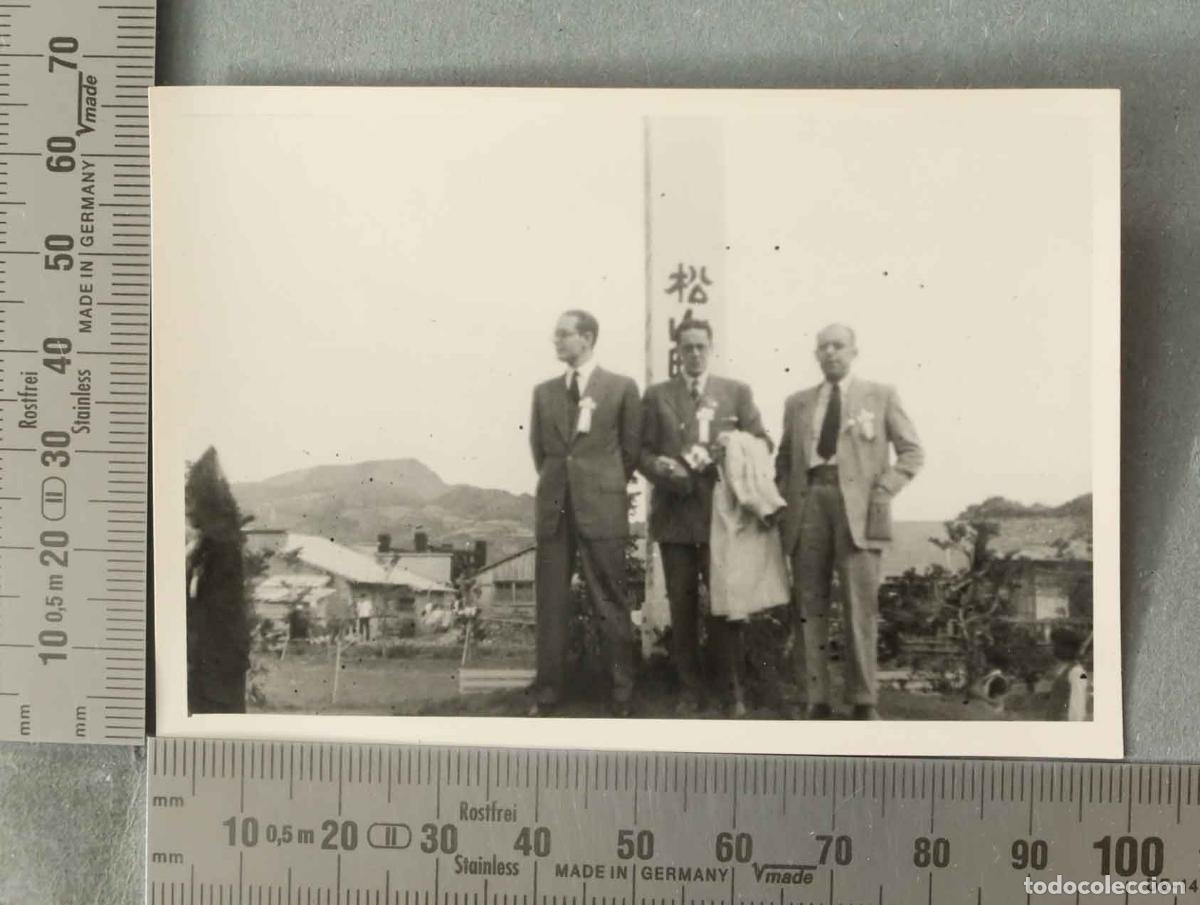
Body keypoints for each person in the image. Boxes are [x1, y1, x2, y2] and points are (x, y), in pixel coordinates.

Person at [776, 324, 924, 720]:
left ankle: (864, 700)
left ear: (854, 351)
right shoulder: (797, 403)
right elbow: (784, 460)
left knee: (860, 606)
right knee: (810, 605)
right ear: (815, 354)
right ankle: (816, 699)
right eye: (822, 347)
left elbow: (912, 453)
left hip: (859, 510)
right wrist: (787, 502)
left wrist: (884, 490)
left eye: (838, 346)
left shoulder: (880, 395)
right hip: (809, 505)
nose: (830, 353)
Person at [639, 319, 770, 715]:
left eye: (701, 346)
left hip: (722, 518)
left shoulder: (735, 393)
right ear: (676, 351)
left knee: (726, 606)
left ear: (711, 348)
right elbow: (639, 451)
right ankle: (688, 689)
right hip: (675, 517)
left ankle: (732, 690)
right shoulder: (657, 395)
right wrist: (660, 467)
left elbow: (764, 441)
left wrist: (735, 444)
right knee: (682, 607)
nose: (694, 354)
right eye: (687, 347)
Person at [528, 309, 642, 717]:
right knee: (551, 604)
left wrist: (597, 485)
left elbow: (629, 453)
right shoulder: (544, 393)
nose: (556, 341)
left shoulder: (621, 388)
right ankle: (548, 694)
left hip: (602, 510)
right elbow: (542, 453)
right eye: (556, 335)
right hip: (555, 511)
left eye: (563, 335)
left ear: (588, 338)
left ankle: (622, 693)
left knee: (610, 601)